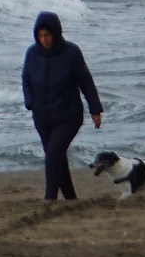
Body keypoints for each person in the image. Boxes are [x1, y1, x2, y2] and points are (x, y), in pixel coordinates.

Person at [20, 10, 102, 201]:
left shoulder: (71, 53)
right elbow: (26, 78)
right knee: (56, 155)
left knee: (53, 155)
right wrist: (30, 102)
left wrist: (95, 109)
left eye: (47, 35)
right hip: (42, 116)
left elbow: (86, 81)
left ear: (56, 34)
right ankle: (70, 198)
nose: (44, 39)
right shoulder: (32, 53)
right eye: (40, 35)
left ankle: (49, 199)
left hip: (68, 116)